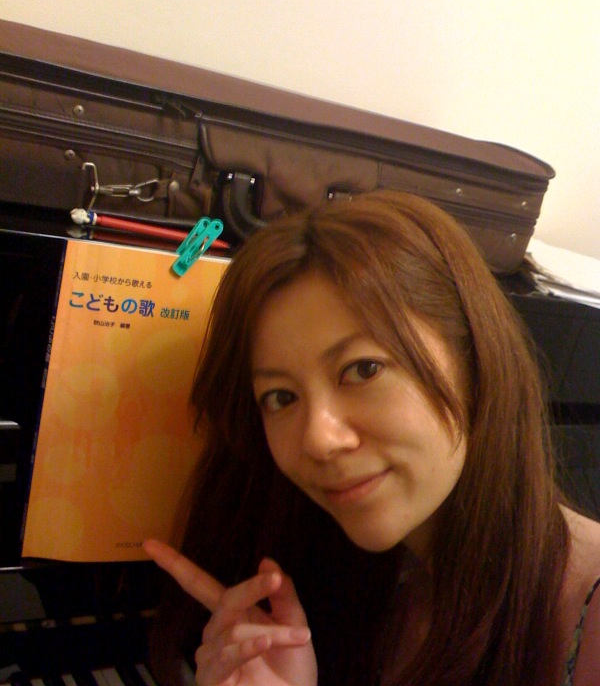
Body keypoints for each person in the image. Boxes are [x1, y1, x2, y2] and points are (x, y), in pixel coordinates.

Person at [144, 189, 600, 686]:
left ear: (474, 360)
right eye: (280, 397)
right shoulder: (360, 577)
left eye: (363, 369)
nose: (318, 440)